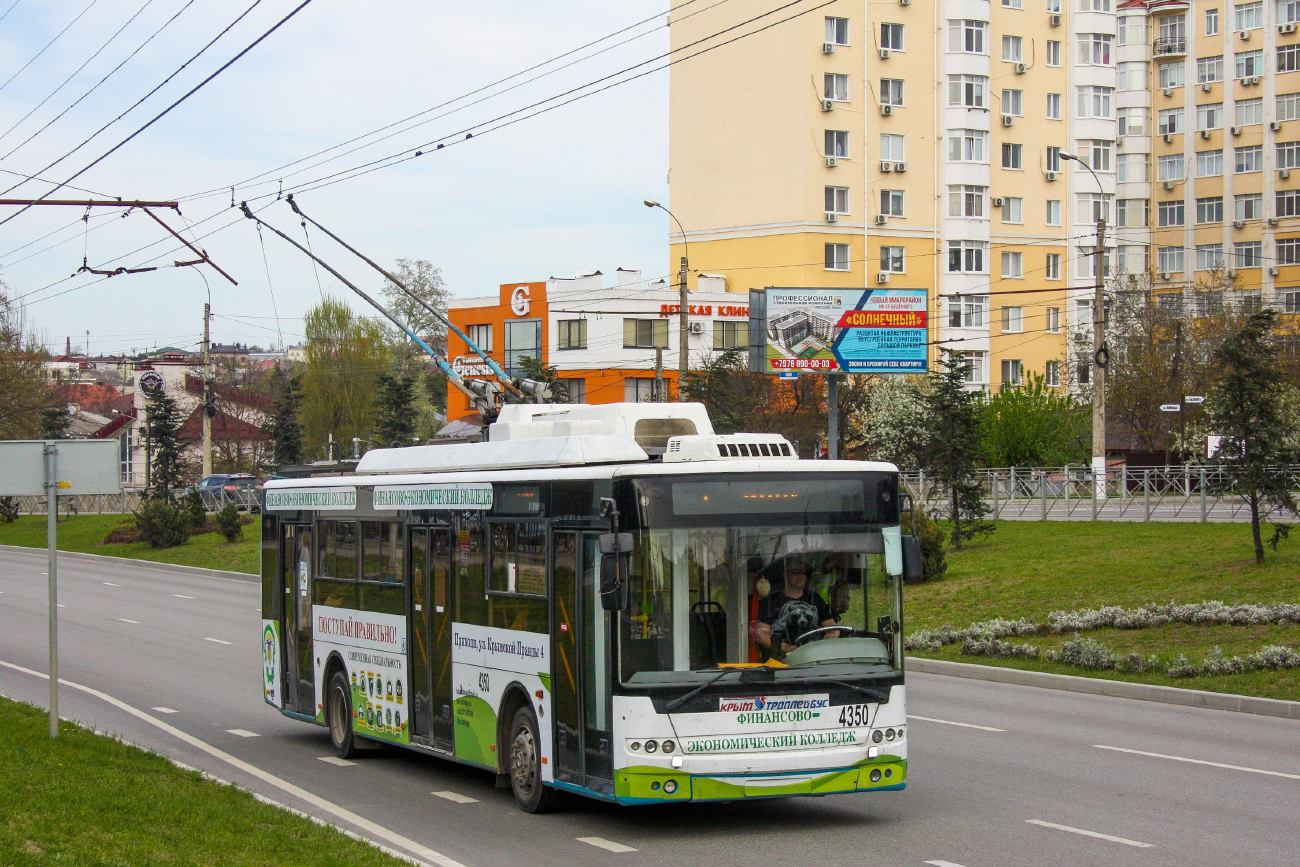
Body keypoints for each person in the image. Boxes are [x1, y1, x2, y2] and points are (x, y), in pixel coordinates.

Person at [752, 557, 838, 660]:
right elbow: (761, 636)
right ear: (785, 575)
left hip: (812, 659)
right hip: (780, 662)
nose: (800, 576)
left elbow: (832, 628)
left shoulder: (815, 599)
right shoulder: (770, 601)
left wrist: (831, 634)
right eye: (795, 572)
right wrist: (785, 647)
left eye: (803, 572)